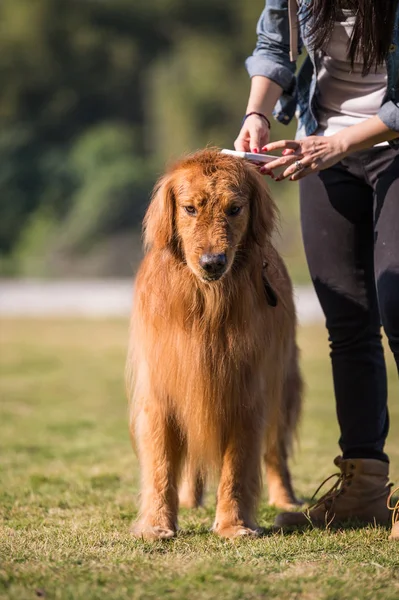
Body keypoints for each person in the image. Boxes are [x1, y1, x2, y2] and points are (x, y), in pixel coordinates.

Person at [235, 0, 399, 540]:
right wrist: (257, 113)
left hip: (388, 146)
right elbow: (272, 46)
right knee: (347, 320)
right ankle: (364, 488)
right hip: (321, 144)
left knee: (397, 306)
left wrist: (338, 143)